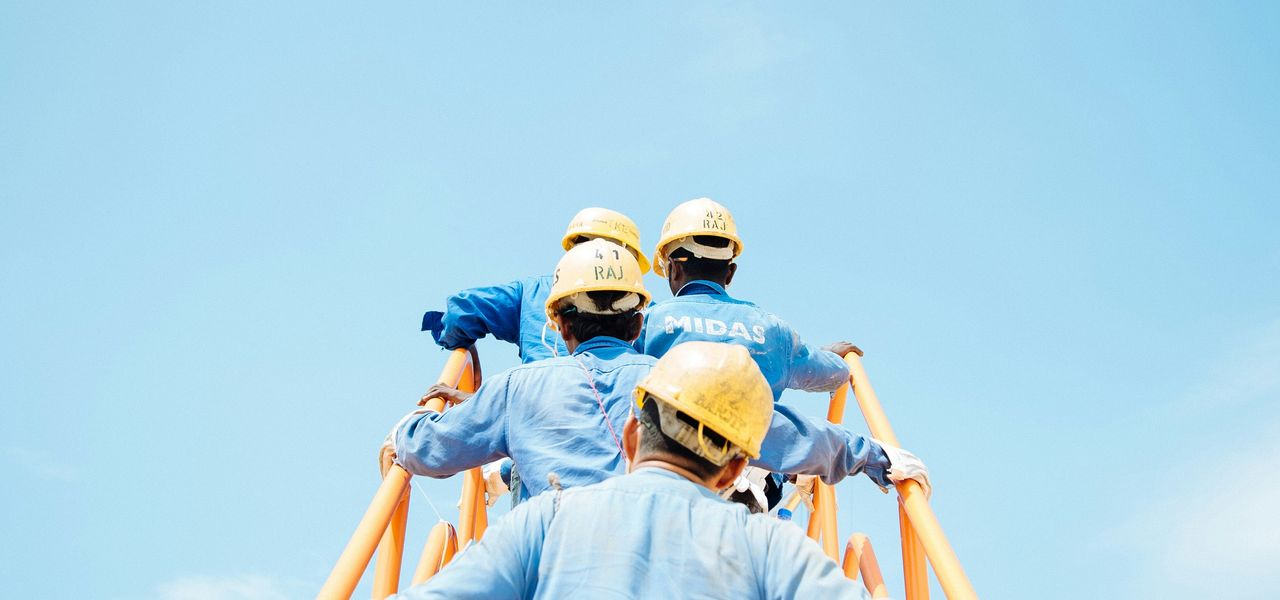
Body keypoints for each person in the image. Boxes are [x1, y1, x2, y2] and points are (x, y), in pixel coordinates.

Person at [386, 242, 928, 505]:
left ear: (558, 319)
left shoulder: (517, 389)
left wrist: (412, 425)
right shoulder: (681, 381)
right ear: (639, 316)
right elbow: (783, 433)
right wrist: (872, 455)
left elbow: (428, 449)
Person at [390, 342, 918, 599]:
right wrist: (872, 454)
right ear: (737, 469)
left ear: (629, 434)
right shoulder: (772, 548)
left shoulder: (545, 522)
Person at [639, 198, 868, 510]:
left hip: (664, 479)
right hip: (750, 480)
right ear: (730, 272)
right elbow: (833, 374)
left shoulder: (649, 321)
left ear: (674, 268)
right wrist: (832, 356)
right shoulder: (773, 330)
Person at [420, 207, 650, 364]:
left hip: (534, 413)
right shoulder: (644, 310)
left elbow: (461, 312)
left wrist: (461, 345)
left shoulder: (531, 293)